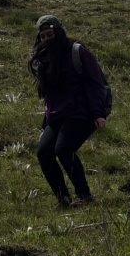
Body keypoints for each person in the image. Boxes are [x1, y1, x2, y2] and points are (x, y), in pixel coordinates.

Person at [28, 15, 108, 207]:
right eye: (44, 36)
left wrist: (98, 113)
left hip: (82, 111)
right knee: (44, 152)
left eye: (51, 34)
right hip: (57, 114)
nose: (48, 39)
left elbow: (94, 84)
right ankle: (62, 197)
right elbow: (49, 95)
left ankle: (85, 195)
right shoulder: (44, 59)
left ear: (59, 32)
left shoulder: (78, 52)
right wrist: (46, 123)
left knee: (63, 149)